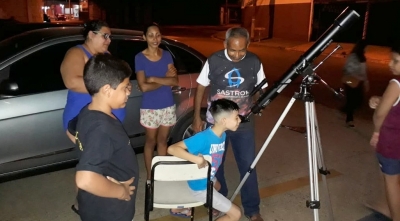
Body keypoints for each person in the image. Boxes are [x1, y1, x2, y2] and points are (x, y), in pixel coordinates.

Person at [192, 27, 267, 221]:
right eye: (232, 49)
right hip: (216, 125)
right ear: (225, 44)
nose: (236, 54)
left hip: (243, 123)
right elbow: (201, 87)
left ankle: (252, 209)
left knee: (248, 165)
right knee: (215, 166)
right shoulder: (214, 60)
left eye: (241, 50)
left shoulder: (254, 62)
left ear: (248, 46)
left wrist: (257, 103)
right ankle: (219, 201)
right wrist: (196, 117)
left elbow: (261, 87)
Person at [60, 20, 127, 214]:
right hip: (85, 122)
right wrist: (108, 89)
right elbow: (72, 81)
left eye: (110, 36)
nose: (108, 40)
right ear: (91, 34)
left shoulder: (106, 56)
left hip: (107, 120)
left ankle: (97, 200)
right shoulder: (77, 52)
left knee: (104, 163)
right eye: (104, 35)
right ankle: (86, 207)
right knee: (91, 165)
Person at [72, 53, 139, 221]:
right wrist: (121, 191)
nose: (128, 93)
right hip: (108, 210)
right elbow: (85, 179)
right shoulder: (101, 129)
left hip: (96, 204)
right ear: (107, 90)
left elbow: (70, 129)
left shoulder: (87, 111)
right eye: (125, 88)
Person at [168, 99, 242, 221]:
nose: (239, 120)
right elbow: (172, 149)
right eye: (236, 117)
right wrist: (196, 160)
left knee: (218, 186)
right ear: (224, 121)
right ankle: (187, 203)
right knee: (236, 214)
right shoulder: (204, 138)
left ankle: (182, 207)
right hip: (199, 186)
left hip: (208, 177)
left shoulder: (222, 134)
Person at [135, 23, 178, 180]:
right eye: (151, 35)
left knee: (162, 141)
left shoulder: (166, 55)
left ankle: (163, 173)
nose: (155, 38)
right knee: (150, 142)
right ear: (144, 37)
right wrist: (164, 79)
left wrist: (153, 78)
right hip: (150, 108)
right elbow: (144, 87)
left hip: (167, 105)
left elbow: (175, 81)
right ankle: (150, 175)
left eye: (158, 35)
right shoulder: (140, 58)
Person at [369, 44, 400, 221]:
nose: (390, 64)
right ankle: (385, 206)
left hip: (391, 143)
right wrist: (381, 100)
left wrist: (376, 131)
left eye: (395, 60)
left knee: (391, 182)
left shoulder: (396, 84)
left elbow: (380, 114)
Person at [342, 39, 369, 127]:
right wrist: (366, 82)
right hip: (356, 82)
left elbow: (345, 68)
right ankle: (349, 118)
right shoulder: (361, 58)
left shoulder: (351, 56)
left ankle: (347, 112)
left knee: (350, 98)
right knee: (356, 100)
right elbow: (363, 72)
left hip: (348, 80)